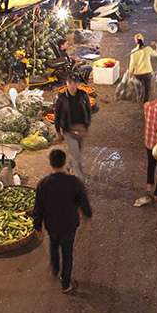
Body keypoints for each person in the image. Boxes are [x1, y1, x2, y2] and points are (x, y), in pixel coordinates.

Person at [33, 149, 93, 294]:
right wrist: (87, 214)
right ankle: (66, 284)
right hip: (69, 225)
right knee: (67, 253)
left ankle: (55, 268)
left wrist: (37, 226)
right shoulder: (74, 182)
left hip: (51, 225)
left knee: (53, 245)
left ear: (50, 163)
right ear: (64, 162)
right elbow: (83, 201)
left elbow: (38, 207)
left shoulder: (43, 184)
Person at [53, 75, 92, 180]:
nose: (72, 86)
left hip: (81, 129)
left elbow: (88, 110)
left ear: (78, 84)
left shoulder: (83, 95)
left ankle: (70, 166)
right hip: (68, 131)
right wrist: (58, 131)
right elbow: (57, 115)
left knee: (77, 151)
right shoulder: (61, 98)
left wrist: (87, 125)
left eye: (75, 83)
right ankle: (80, 179)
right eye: (70, 83)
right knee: (76, 156)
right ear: (67, 84)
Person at [128, 33, 157, 102]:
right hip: (147, 72)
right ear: (143, 40)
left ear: (135, 41)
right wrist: (155, 47)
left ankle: (139, 98)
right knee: (147, 89)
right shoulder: (148, 49)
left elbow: (132, 64)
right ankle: (145, 101)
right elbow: (156, 54)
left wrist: (130, 74)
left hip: (137, 73)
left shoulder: (133, 52)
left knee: (138, 88)